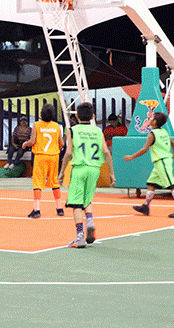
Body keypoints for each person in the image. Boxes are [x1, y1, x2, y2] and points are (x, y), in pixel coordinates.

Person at [58, 102, 116, 248]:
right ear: (92, 116)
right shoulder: (97, 130)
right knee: (87, 198)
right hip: (94, 169)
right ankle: (89, 221)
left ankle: (80, 236)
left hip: (79, 168)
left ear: (76, 116)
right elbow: (106, 152)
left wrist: (61, 171)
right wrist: (112, 173)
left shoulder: (72, 130)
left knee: (76, 203)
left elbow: (69, 153)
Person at [123, 112, 174, 218]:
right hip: (160, 162)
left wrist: (132, 157)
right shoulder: (163, 132)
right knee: (151, 184)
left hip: (162, 161)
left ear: (154, 122)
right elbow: (173, 143)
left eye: (151, 118)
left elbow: (144, 149)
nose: (149, 119)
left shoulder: (152, 134)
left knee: (172, 184)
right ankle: (146, 206)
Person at [22, 103, 65, 218]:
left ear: (41, 114)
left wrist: (25, 144)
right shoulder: (56, 126)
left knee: (38, 182)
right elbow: (62, 143)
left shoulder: (37, 125)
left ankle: (37, 209)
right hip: (54, 156)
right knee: (54, 181)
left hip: (41, 156)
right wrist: (56, 149)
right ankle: (59, 208)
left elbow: (32, 141)